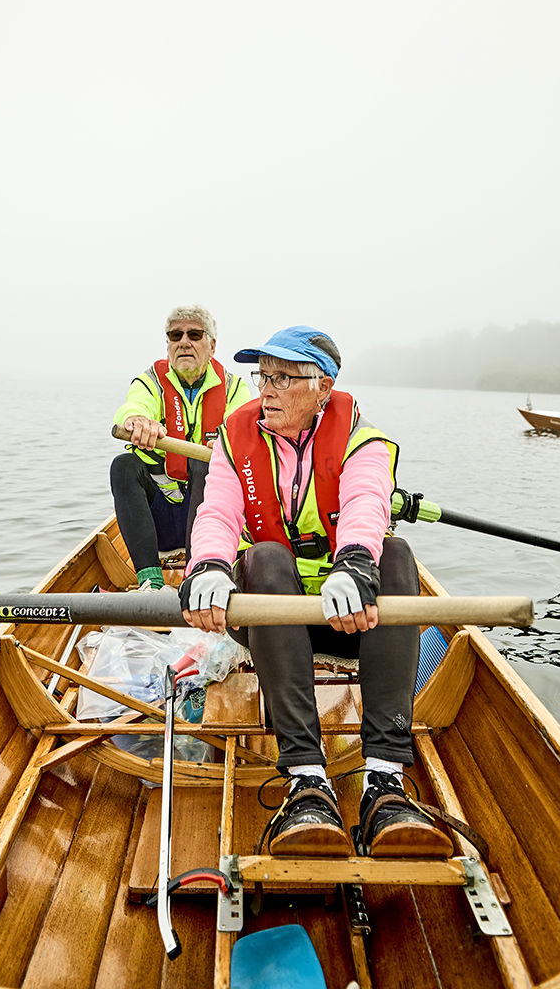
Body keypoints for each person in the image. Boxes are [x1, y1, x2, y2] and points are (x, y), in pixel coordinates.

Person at [178, 325, 450, 859]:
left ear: (322, 387)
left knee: (395, 556)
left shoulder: (360, 438)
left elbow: (368, 503)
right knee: (264, 557)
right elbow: (216, 512)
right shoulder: (235, 437)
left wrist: (353, 565)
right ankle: (306, 779)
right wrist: (207, 566)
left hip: (352, 613)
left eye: (283, 377)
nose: (267, 389)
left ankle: (384, 783)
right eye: (263, 376)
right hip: (272, 616)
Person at [110, 306, 251, 592]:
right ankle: (151, 582)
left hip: (212, 519)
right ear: (168, 344)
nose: (184, 342)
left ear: (212, 345)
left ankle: (197, 574)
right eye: (175, 335)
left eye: (194, 334)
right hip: (157, 520)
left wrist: (226, 444)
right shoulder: (150, 382)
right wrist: (136, 420)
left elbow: (244, 429)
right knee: (123, 465)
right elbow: (134, 405)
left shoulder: (234, 388)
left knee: (205, 461)